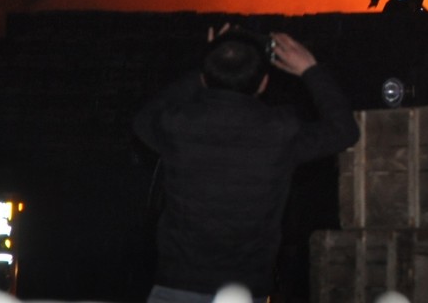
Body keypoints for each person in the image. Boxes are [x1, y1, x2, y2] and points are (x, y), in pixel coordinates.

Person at [133, 28, 360, 303]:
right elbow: (344, 131)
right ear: (264, 83)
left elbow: (144, 118)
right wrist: (311, 69)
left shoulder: (176, 125)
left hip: (175, 286)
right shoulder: (280, 131)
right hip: (243, 292)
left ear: (204, 78)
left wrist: (209, 64)